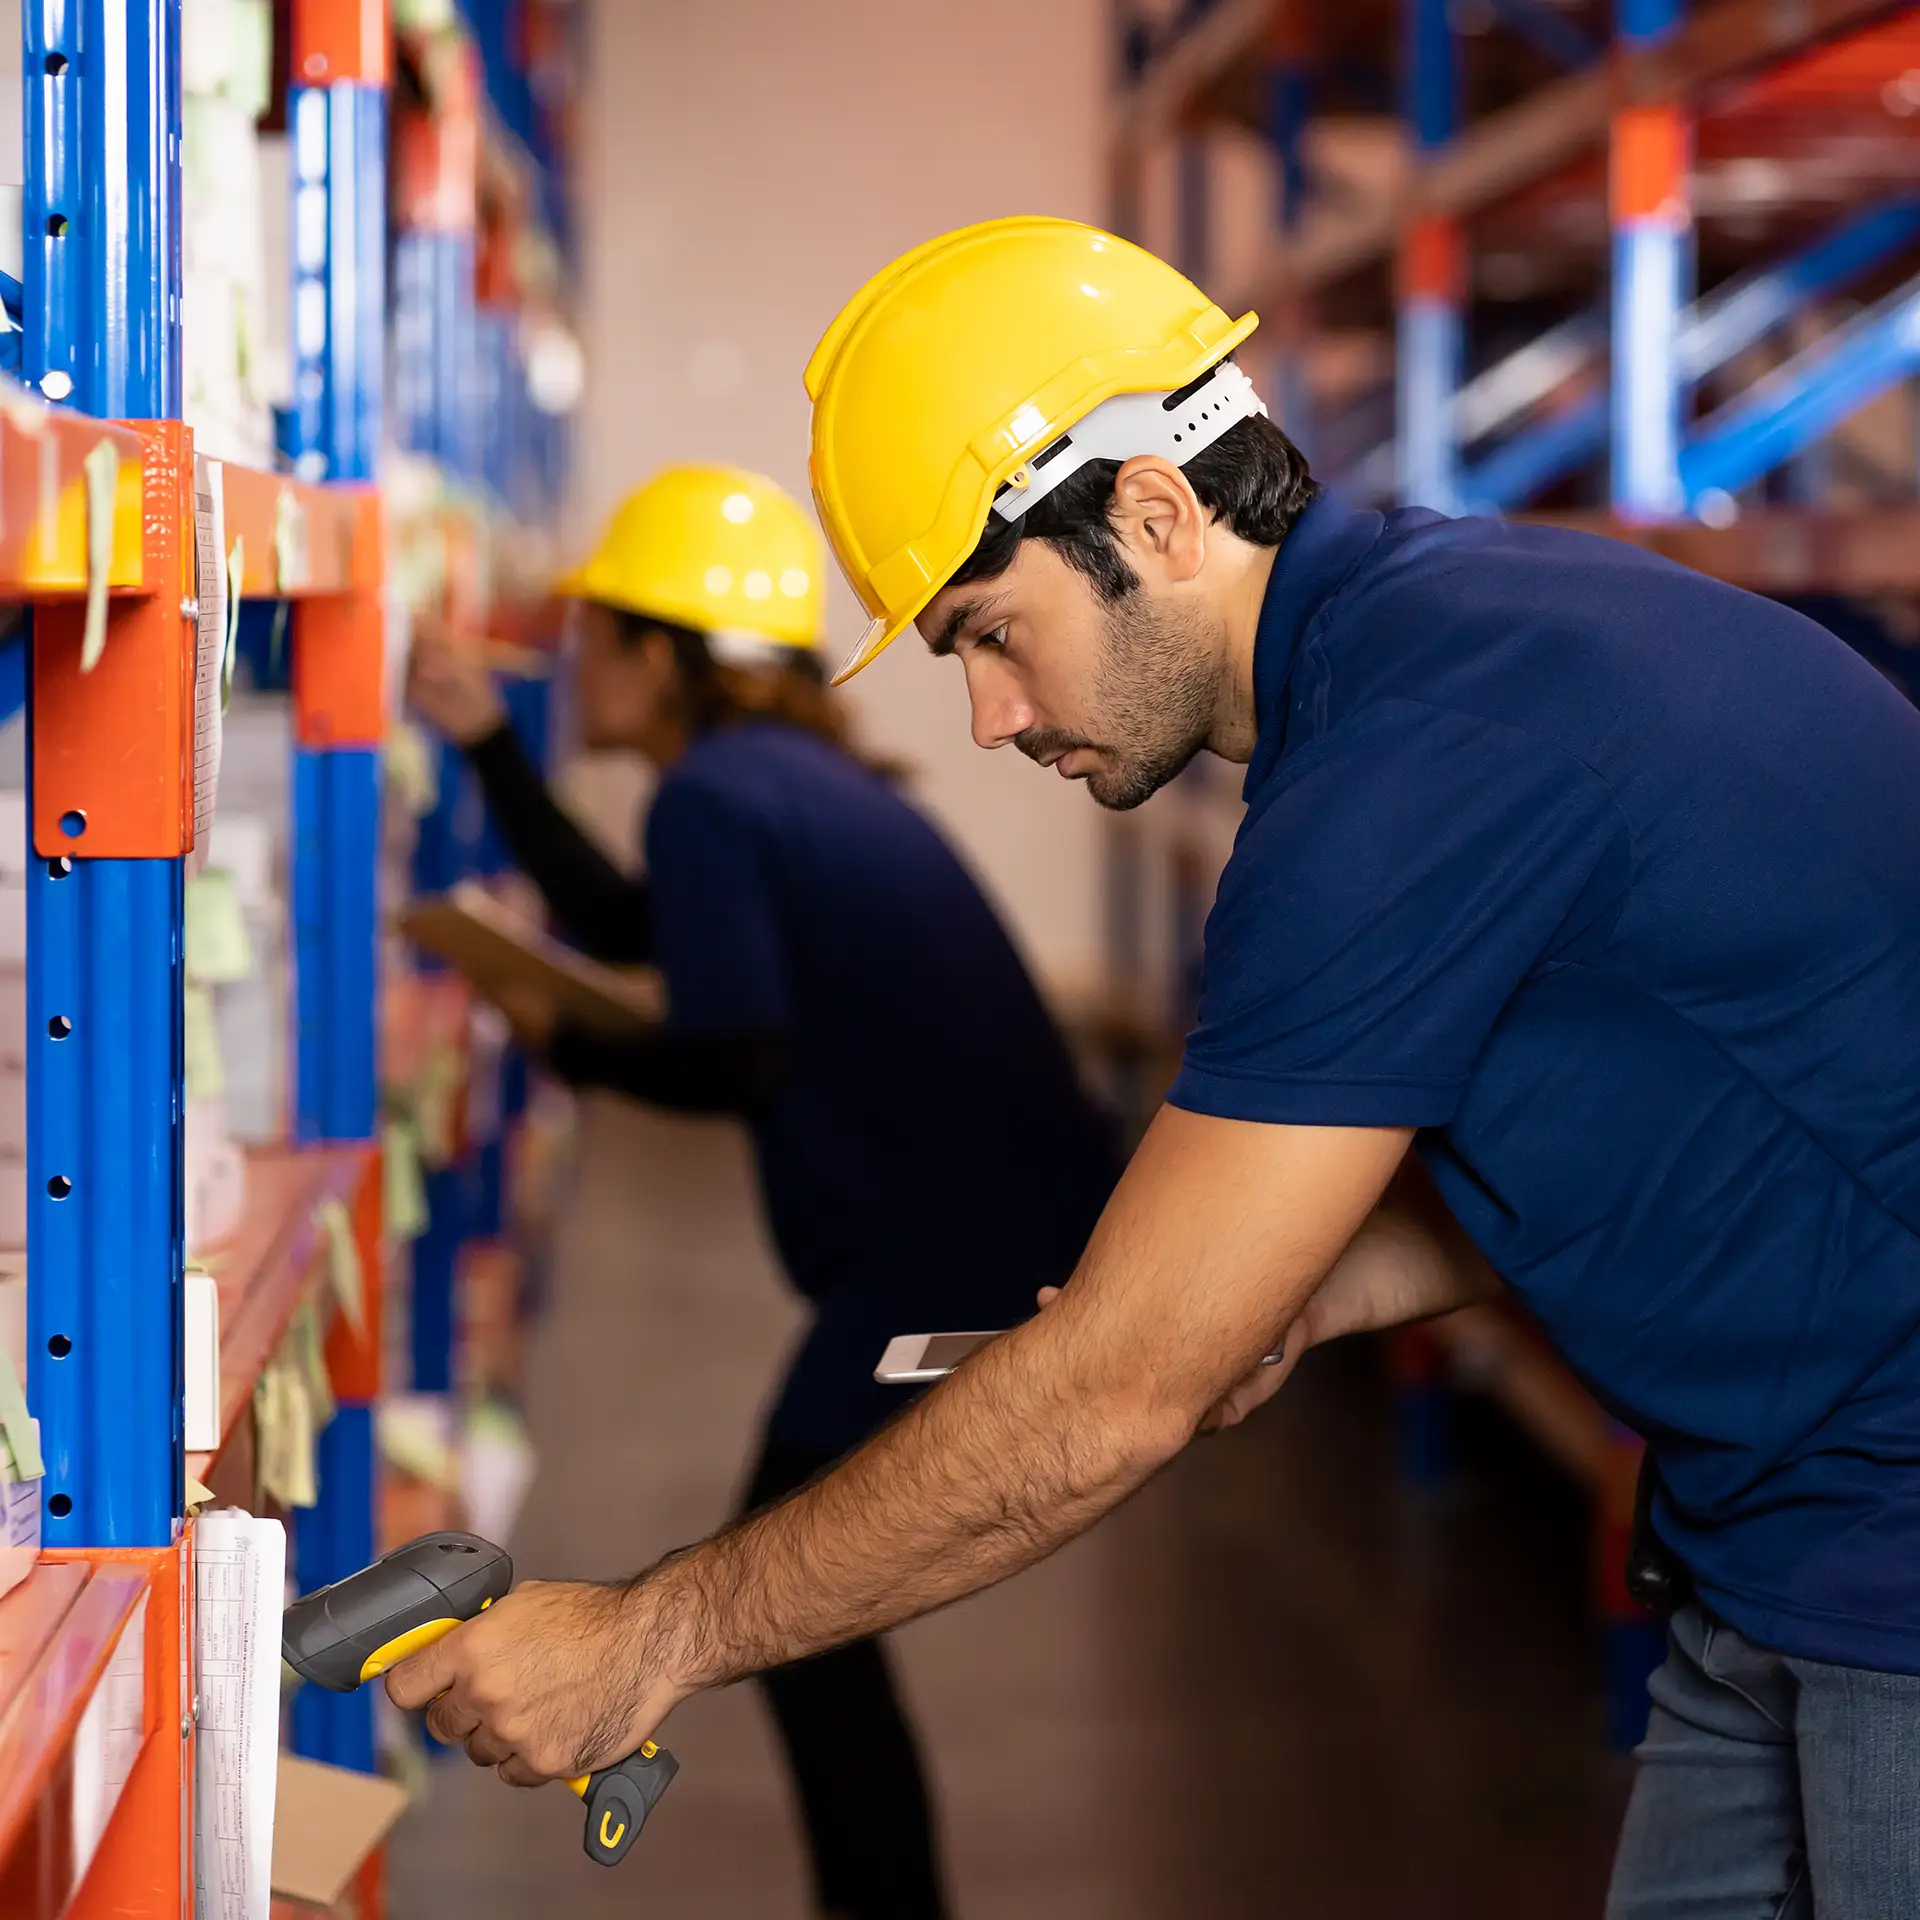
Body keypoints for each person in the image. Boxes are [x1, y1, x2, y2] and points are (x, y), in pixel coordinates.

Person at [390, 223, 1920, 1916]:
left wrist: (647, 1637)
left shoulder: (1414, 766)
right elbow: (1657, 1128)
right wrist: (1290, 1291)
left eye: (989, 631)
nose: (983, 719)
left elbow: (1121, 1394)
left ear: (1157, 513)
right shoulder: (1436, 654)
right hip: (1773, 1539)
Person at [405, 461, 1123, 1920]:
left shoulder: (716, 798)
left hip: (951, 1255)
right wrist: (486, 753)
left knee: (795, 1598)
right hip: (997, 1227)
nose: (576, 663)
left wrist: (571, 1043)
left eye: (597, 635)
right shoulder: (771, 784)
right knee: (812, 1605)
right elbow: (635, 926)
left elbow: (733, 1059)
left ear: (658, 656)